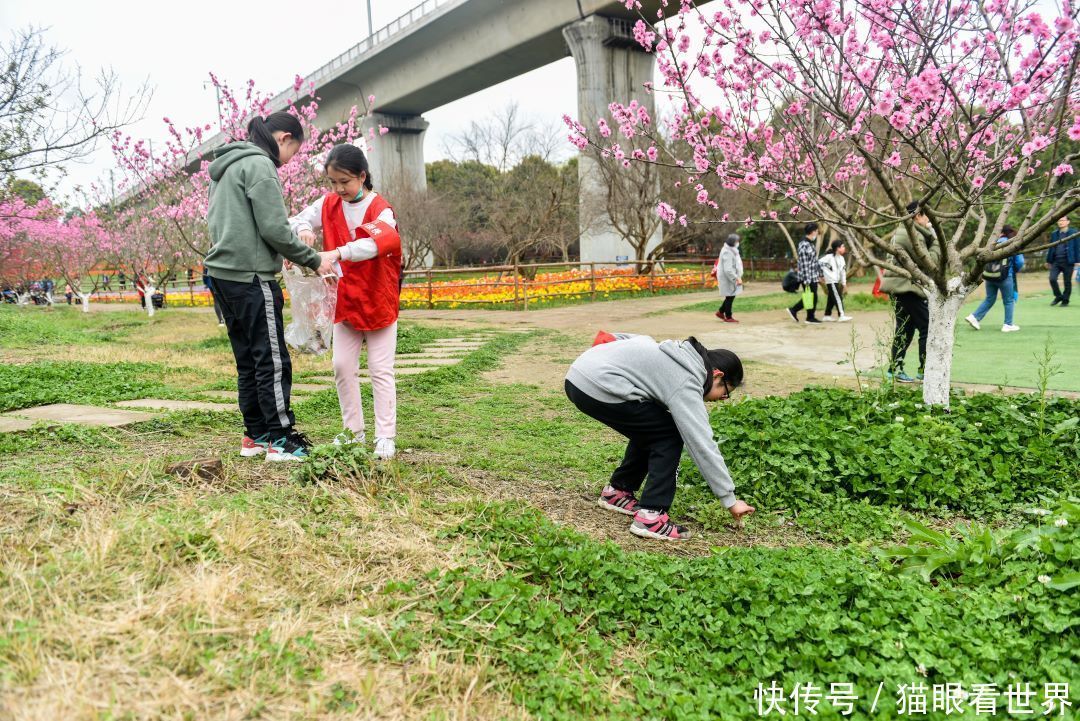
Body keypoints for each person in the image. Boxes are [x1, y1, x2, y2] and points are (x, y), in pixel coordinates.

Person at [205, 112, 336, 463]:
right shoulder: (260, 166)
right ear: (283, 138)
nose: (291, 157)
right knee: (273, 358)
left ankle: (255, 435)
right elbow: (275, 229)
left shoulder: (227, 167)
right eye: (294, 148)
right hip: (250, 277)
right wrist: (312, 258)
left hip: (222, 274)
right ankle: (281, 438)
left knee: (248, 359)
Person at [564, 333, 755, 541]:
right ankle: (651, 516)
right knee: (670, 435)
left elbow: (626, 338)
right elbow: (702, 443)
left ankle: (617, 492)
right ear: (717, 375)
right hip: (596, 385)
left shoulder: (673, 351)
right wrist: (730, 500)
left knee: (654, 426)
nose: (722, 399)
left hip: (578, 376)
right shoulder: (688, 379)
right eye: (725, 392)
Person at [289, 143, 402, 460]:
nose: (338, 189)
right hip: (344, 301)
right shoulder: (328, 204)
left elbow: (375, 244)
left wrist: (337, 252)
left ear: (362, 176)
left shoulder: (382, 210)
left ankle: (385, 435)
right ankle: (353, 433)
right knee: (341, 367)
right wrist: (303, 231)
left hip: (377, 298)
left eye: (345, 182)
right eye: (333, 182)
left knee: (380, 369)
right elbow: (297, 219)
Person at [880, 201, 940, 383]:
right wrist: (937, 243)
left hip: (900, 286)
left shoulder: (904, 231)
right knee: (926, 326)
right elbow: (929, 261)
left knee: (905, 328)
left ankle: (895, 369)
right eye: (925, 215)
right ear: (916, 216)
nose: (928, 219)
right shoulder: (910, 234)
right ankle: (924, 370)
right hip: (906, 286)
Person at [965, 225, 1024, 333]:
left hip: (990, 276)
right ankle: (1008, 324)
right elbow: (1020, 261)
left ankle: (974, 317)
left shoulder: (992, 243)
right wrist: (1013, 270)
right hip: (1005, 276)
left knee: (990, 298)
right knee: (1009, 301)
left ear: (1001, 233)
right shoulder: (1012, 243)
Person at [787, 223, 823, 323]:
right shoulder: (804, 245)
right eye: (816, 231)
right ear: (812, 232)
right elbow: (804, 264)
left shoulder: (809, 243)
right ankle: (795, 310)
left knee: (812, 297)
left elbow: (813, 261)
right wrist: (807, 280)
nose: (817, 233)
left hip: (812, 276)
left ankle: (809, 317)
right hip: (807, 277)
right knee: (810, 296)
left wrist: (819, 274)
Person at [1046, 215, 1079, 306]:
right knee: (1052, 279)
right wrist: (1048, 260)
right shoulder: (1054, 234)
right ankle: (1058, 296)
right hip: (1056, 261)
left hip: (1069, 261)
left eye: (1063, 220)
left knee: (1067, 281)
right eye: (1059, 220)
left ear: (1068, 222)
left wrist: (1078, 261)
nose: (1060, 222)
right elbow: (1051, 248)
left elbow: (1077, 247)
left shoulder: (1074, 233)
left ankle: (1065, 300)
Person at [819, 239, 852, 322]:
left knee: (831, 298)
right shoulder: (829, 257)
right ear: (838, 248)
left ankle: (827, 315)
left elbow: (843, 272)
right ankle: (841, 315)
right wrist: (821, 275)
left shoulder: (842, 259)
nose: (844, 248)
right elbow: (818, 263)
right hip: (831, 281)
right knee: (838, 297)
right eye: (843, 246)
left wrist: (844, 284)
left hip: (836, 281)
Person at [715, 233, 744, 323]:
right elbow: (728, 269)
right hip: (728, 277)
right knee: (730, 296)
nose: (738, 242)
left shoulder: (732, 250)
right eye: (737, 241)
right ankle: (728, 316)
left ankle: (720, 312)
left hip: (730, 277)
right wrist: (736, 278)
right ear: (733, 242)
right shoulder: (727, 252)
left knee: (730, 296)